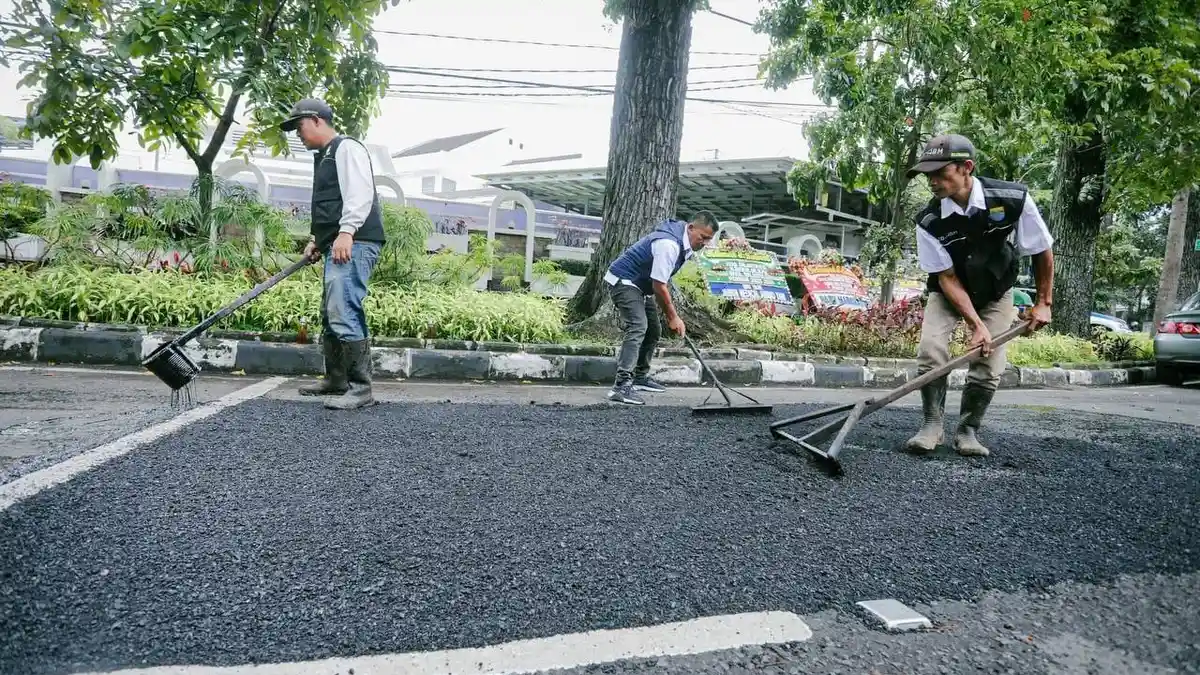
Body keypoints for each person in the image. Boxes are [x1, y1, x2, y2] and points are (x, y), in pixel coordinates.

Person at [904, 133, 1055, 456]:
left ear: (966, 168)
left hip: (996, 289)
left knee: (990, 362)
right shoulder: (929, 221)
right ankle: (932, 424)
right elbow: (946, 277)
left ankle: (968, 431)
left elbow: (1040, 248)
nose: (932, 181)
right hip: (949, 290)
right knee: (931, 350)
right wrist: (975, 324)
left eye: (939, 173)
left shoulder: (1012, 199)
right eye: (927, 175)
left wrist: (1043, 302)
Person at [278, 98, 387, 410]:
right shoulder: (324, 156)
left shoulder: (346, 148)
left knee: (344, 308)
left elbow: (360, 193)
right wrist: (318, 239)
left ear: (316, 120)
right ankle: (336, 380)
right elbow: (330, 204)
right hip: (340, 241)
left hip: (358, 241)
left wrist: (347, 231)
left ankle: (361, 389)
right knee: (330, 310)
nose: (297, 135)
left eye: (298, 127)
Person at [603, 211, 718, 405]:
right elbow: (659, 285)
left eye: (709, 239)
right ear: (690, 228)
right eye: (703, 237)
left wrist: (670, 315)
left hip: (640, 285)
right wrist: (673, 317)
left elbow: (659, 283)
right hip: (624, 281)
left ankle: (639, 377)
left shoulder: (684, 241)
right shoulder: (669, 244)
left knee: (654, 329)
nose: (705, 243)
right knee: (638, 326)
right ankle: (621, 386)